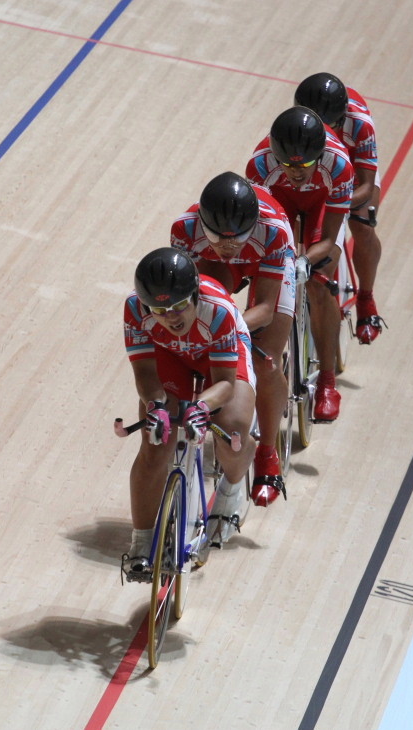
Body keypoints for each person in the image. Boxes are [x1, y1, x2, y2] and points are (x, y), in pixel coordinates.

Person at [121, 247, 256, 580]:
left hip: (218, 359)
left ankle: (231, 490)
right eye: (161, 310)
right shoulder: (135, 310)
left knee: (233, 428)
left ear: (195, 295)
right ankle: (141, 543)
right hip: (171, 356)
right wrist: (155, 406)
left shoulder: (219, 311)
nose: (171, 316)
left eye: (180, 305)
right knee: (154, 446)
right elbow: (145, 375)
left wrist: (201, 406)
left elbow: (225, 384)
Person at [171, 171, 295, 507]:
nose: (228, 246)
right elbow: (194, 301)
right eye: (218, 237)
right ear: (202, 224)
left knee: (264, 359)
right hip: (223, 268)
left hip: (267, 259)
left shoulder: (272, 230)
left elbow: (266, 309)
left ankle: (268, 453)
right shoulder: (185, 230)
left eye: (236, 238)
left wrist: (228, 329)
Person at [246, 106, 353, 422]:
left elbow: (331, 239)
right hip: (280, 205)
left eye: (305, 164)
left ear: (319, 155)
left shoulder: (339, 165)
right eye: (288, 164)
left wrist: (306, 260)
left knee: (320, 284)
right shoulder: (260, 165)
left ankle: (327, 385)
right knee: (264, 282)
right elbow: (263, 231)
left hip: (321, 206)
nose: (296, 171)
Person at [294, 72, 386, 344]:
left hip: (354, 169)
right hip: (319, 166)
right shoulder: (296, 123)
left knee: (362, 223)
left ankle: (366, 301)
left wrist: (340, 206)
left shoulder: (360, 124)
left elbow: (366, 187)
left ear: (342, 117)